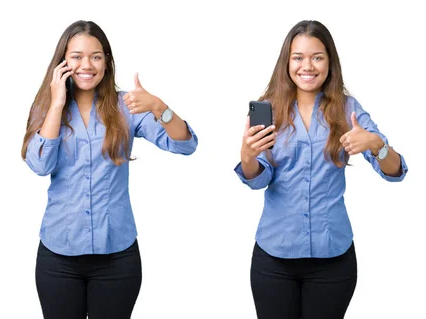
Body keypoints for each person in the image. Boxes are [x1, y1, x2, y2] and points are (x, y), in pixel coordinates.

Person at [22, 20, 198, 319]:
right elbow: (39, 165)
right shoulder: (48, 107)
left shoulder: (126, 106)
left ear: (106, 62)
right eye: (76, 56)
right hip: (59, 255)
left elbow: (184, 144)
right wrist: (56, 104)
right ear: (63, 62)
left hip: (117, 256)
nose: (86, 65)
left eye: (96, 56)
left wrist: (157, 105)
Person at [235, 20, 408, 319]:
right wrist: (248, 156)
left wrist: (375, 143)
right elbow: (257, 179)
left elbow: (396, 171)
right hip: (274, 258)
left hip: (333, 259)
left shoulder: (346, 108)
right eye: (298, 57)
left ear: (330, 61)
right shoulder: (269, 108)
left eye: (317, 57)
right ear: (287, 62)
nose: (308, 66)